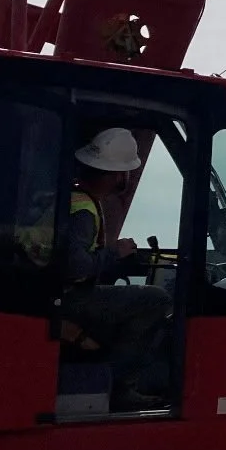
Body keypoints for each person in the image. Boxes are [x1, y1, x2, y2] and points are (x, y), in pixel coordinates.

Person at [63, 127, 173, 408]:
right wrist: (115, 253)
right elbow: (75, 267)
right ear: (118, 176)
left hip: (57, 295)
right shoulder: (84, 211)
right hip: (67, 299)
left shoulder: (72, 198)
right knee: (154, 300)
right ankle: (121, 389)